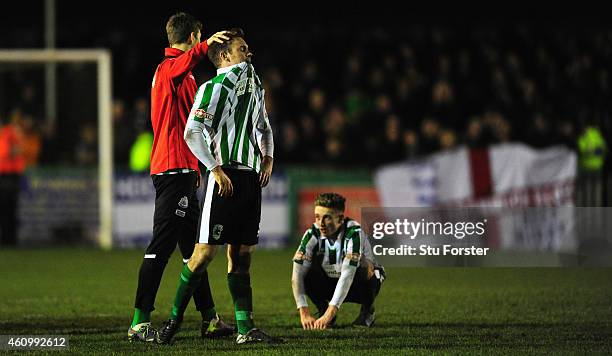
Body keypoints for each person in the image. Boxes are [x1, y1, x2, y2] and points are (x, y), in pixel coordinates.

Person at [157, 28, 278, 345]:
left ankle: (245, 329)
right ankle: (172, 323)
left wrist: (267, 159)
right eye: (242, 48)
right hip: (224, 178)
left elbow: (263, 125)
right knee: (203, 253)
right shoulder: (213, 86)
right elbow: (192, 131)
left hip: (250, 177)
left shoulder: (254, 84)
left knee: (242, 254)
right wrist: (214, 169)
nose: (248, 52)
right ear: (225, 56)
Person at [127, 12, 233, 343]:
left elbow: (187, 129)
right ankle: (139, 322)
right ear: (192, 38)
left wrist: (196, 166)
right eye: (199, 39)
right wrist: (204, 49)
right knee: (161, 246)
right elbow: (181, 65)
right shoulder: (169, 70)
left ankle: (210, 320)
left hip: (183, 170)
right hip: (172, 171)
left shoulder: (182, 77)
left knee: (194, 252)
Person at [291, 193, 385, 329]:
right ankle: (322, 308)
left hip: (356, 284)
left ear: (340, 219)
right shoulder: (312, 233)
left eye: (327, 217)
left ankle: (367, 312)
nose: (321, 223)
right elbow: (297, 274)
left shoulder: (353, 232)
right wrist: (304, 312)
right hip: (330, 281)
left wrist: (331, 311)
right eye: (317, 217)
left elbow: (348, 274)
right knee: (304, 269)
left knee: (366, 267)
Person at [0, 112, 25, 247]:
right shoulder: (10, 133)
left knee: (8, 209)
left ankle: (8, 240)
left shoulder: (9, 133)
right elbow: (11, 152)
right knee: (9, 209)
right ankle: (9, 240)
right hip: (8, 174)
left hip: (9, 175)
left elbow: (9, 152)